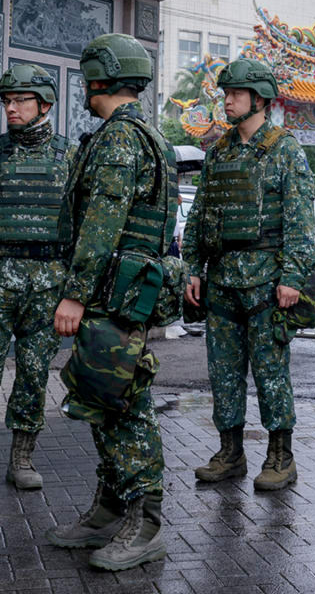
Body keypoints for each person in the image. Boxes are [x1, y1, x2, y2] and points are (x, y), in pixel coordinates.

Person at [47, 34, 176, 572]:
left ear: (101, 76)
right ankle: (107, 509)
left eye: (86, 74)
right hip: (120, 290)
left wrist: (75, 294)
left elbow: (103, 223)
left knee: (124, 404)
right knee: (106, 399)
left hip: (114, 295)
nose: (82, 83)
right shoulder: (141, 135)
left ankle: (144, 522)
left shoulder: (121, 139)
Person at [183, 57, 315, 490]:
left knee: (270, 372)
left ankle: (281, 456)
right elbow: (201, 214)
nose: (228, 101)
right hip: (222, 283)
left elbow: (300, 223)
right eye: (225, 94)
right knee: (223, 372)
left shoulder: (285, 150)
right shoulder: (218, 151)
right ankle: (230, 453)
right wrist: (193, 267)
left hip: (265, 285)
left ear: (260, 98)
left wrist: (293, 278)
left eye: (236, 94)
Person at [0, 64, 72, 490]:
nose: (11, 107)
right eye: (7, 101)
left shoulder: (69, 156)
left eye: (20, 100)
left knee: (32, 372)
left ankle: (22, 457)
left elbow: (85, 226)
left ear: (44, 104)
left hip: (47, 283)